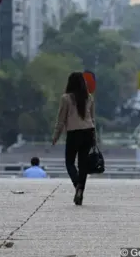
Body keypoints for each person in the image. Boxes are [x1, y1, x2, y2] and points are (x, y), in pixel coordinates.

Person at [52, 72, 96, 206]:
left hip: (74, 133)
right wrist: (95, 137)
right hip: (88, 131)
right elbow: (93, 119)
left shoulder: (66, 98)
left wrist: (56, 136)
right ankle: (81, 189)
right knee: (83, 164)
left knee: (69, 162)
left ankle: (77, 185)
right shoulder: (89, 97)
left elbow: (61, 119)